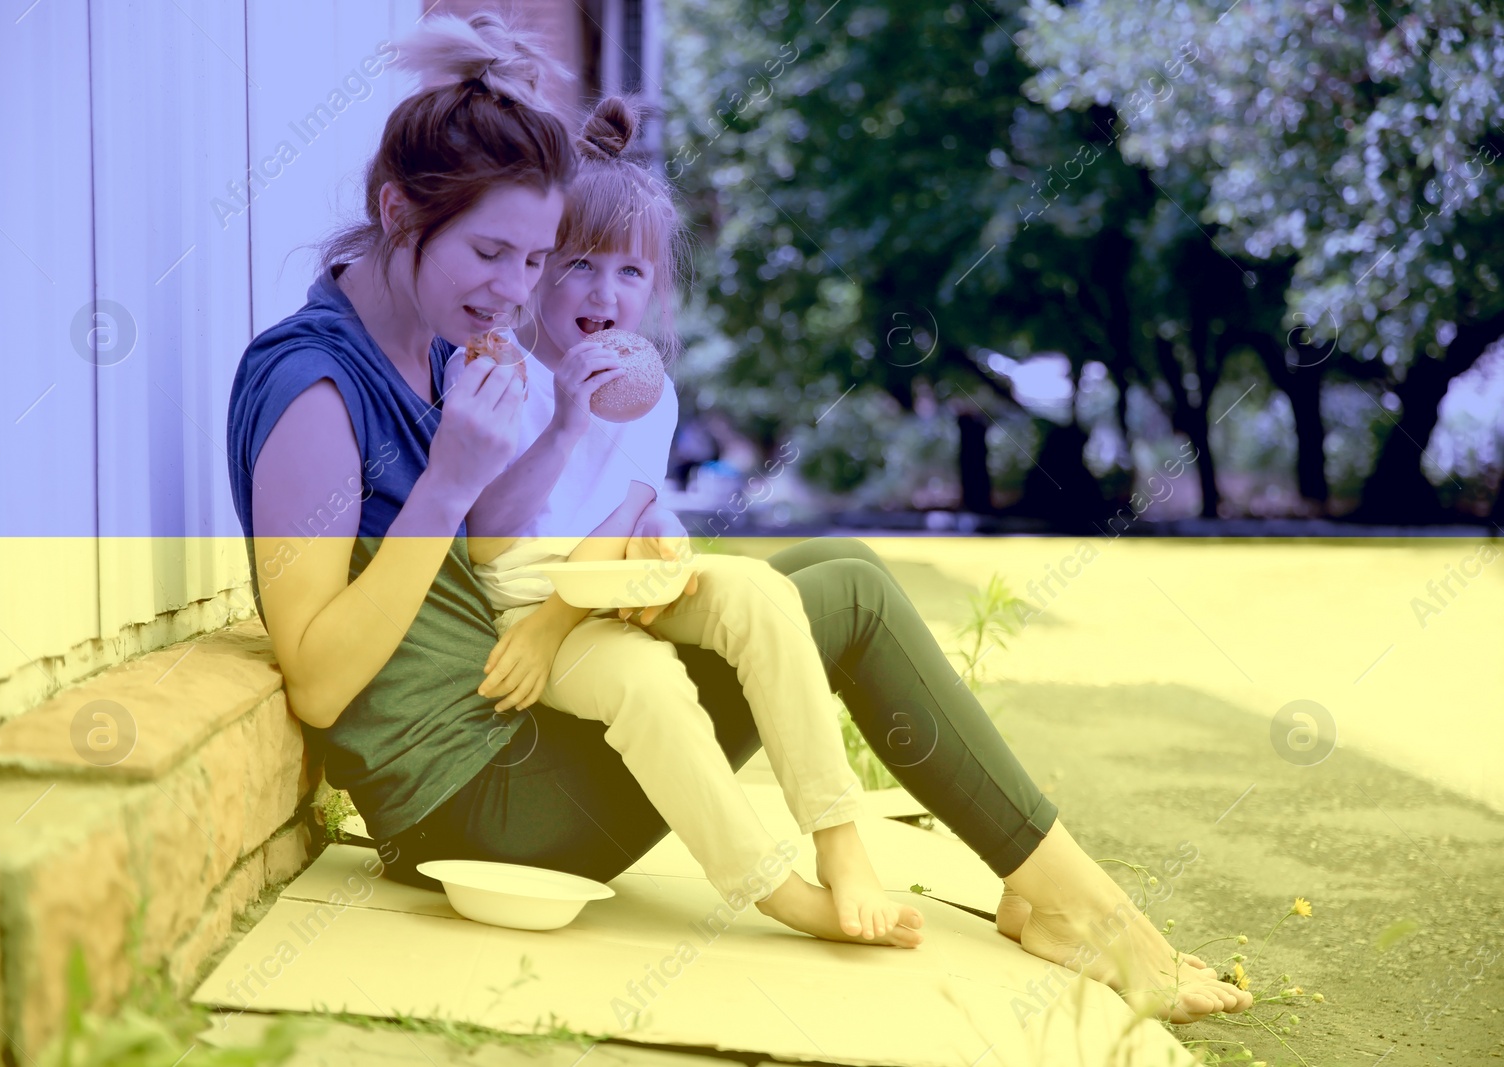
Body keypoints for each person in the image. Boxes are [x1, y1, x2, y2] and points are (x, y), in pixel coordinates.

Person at [224, 10, 1251, 1023]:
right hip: (482, 804)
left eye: (535, 260)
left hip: (529, 721)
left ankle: (1055, 891)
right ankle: (1084, 907)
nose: (513, 291)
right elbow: (315, 679)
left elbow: (520, 542)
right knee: (844, 594)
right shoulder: (316, 387)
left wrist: (612, 557)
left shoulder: (449, 347)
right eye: (491, 253)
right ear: (399, 210)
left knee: (827, 570)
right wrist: (448, 485)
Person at [462, 95, 911, 945]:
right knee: (649, 685)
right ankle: (773, 889)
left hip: (607, 584)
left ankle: (839, 840)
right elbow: (490, 535)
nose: (606, 292)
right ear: (535, 271)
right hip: (529, 603)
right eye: (580, 265)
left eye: (631, 274)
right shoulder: (503, 373)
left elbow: (629, 502)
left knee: (763, 595)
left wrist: (646, 539)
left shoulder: (651, 392)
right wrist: (564, 426)